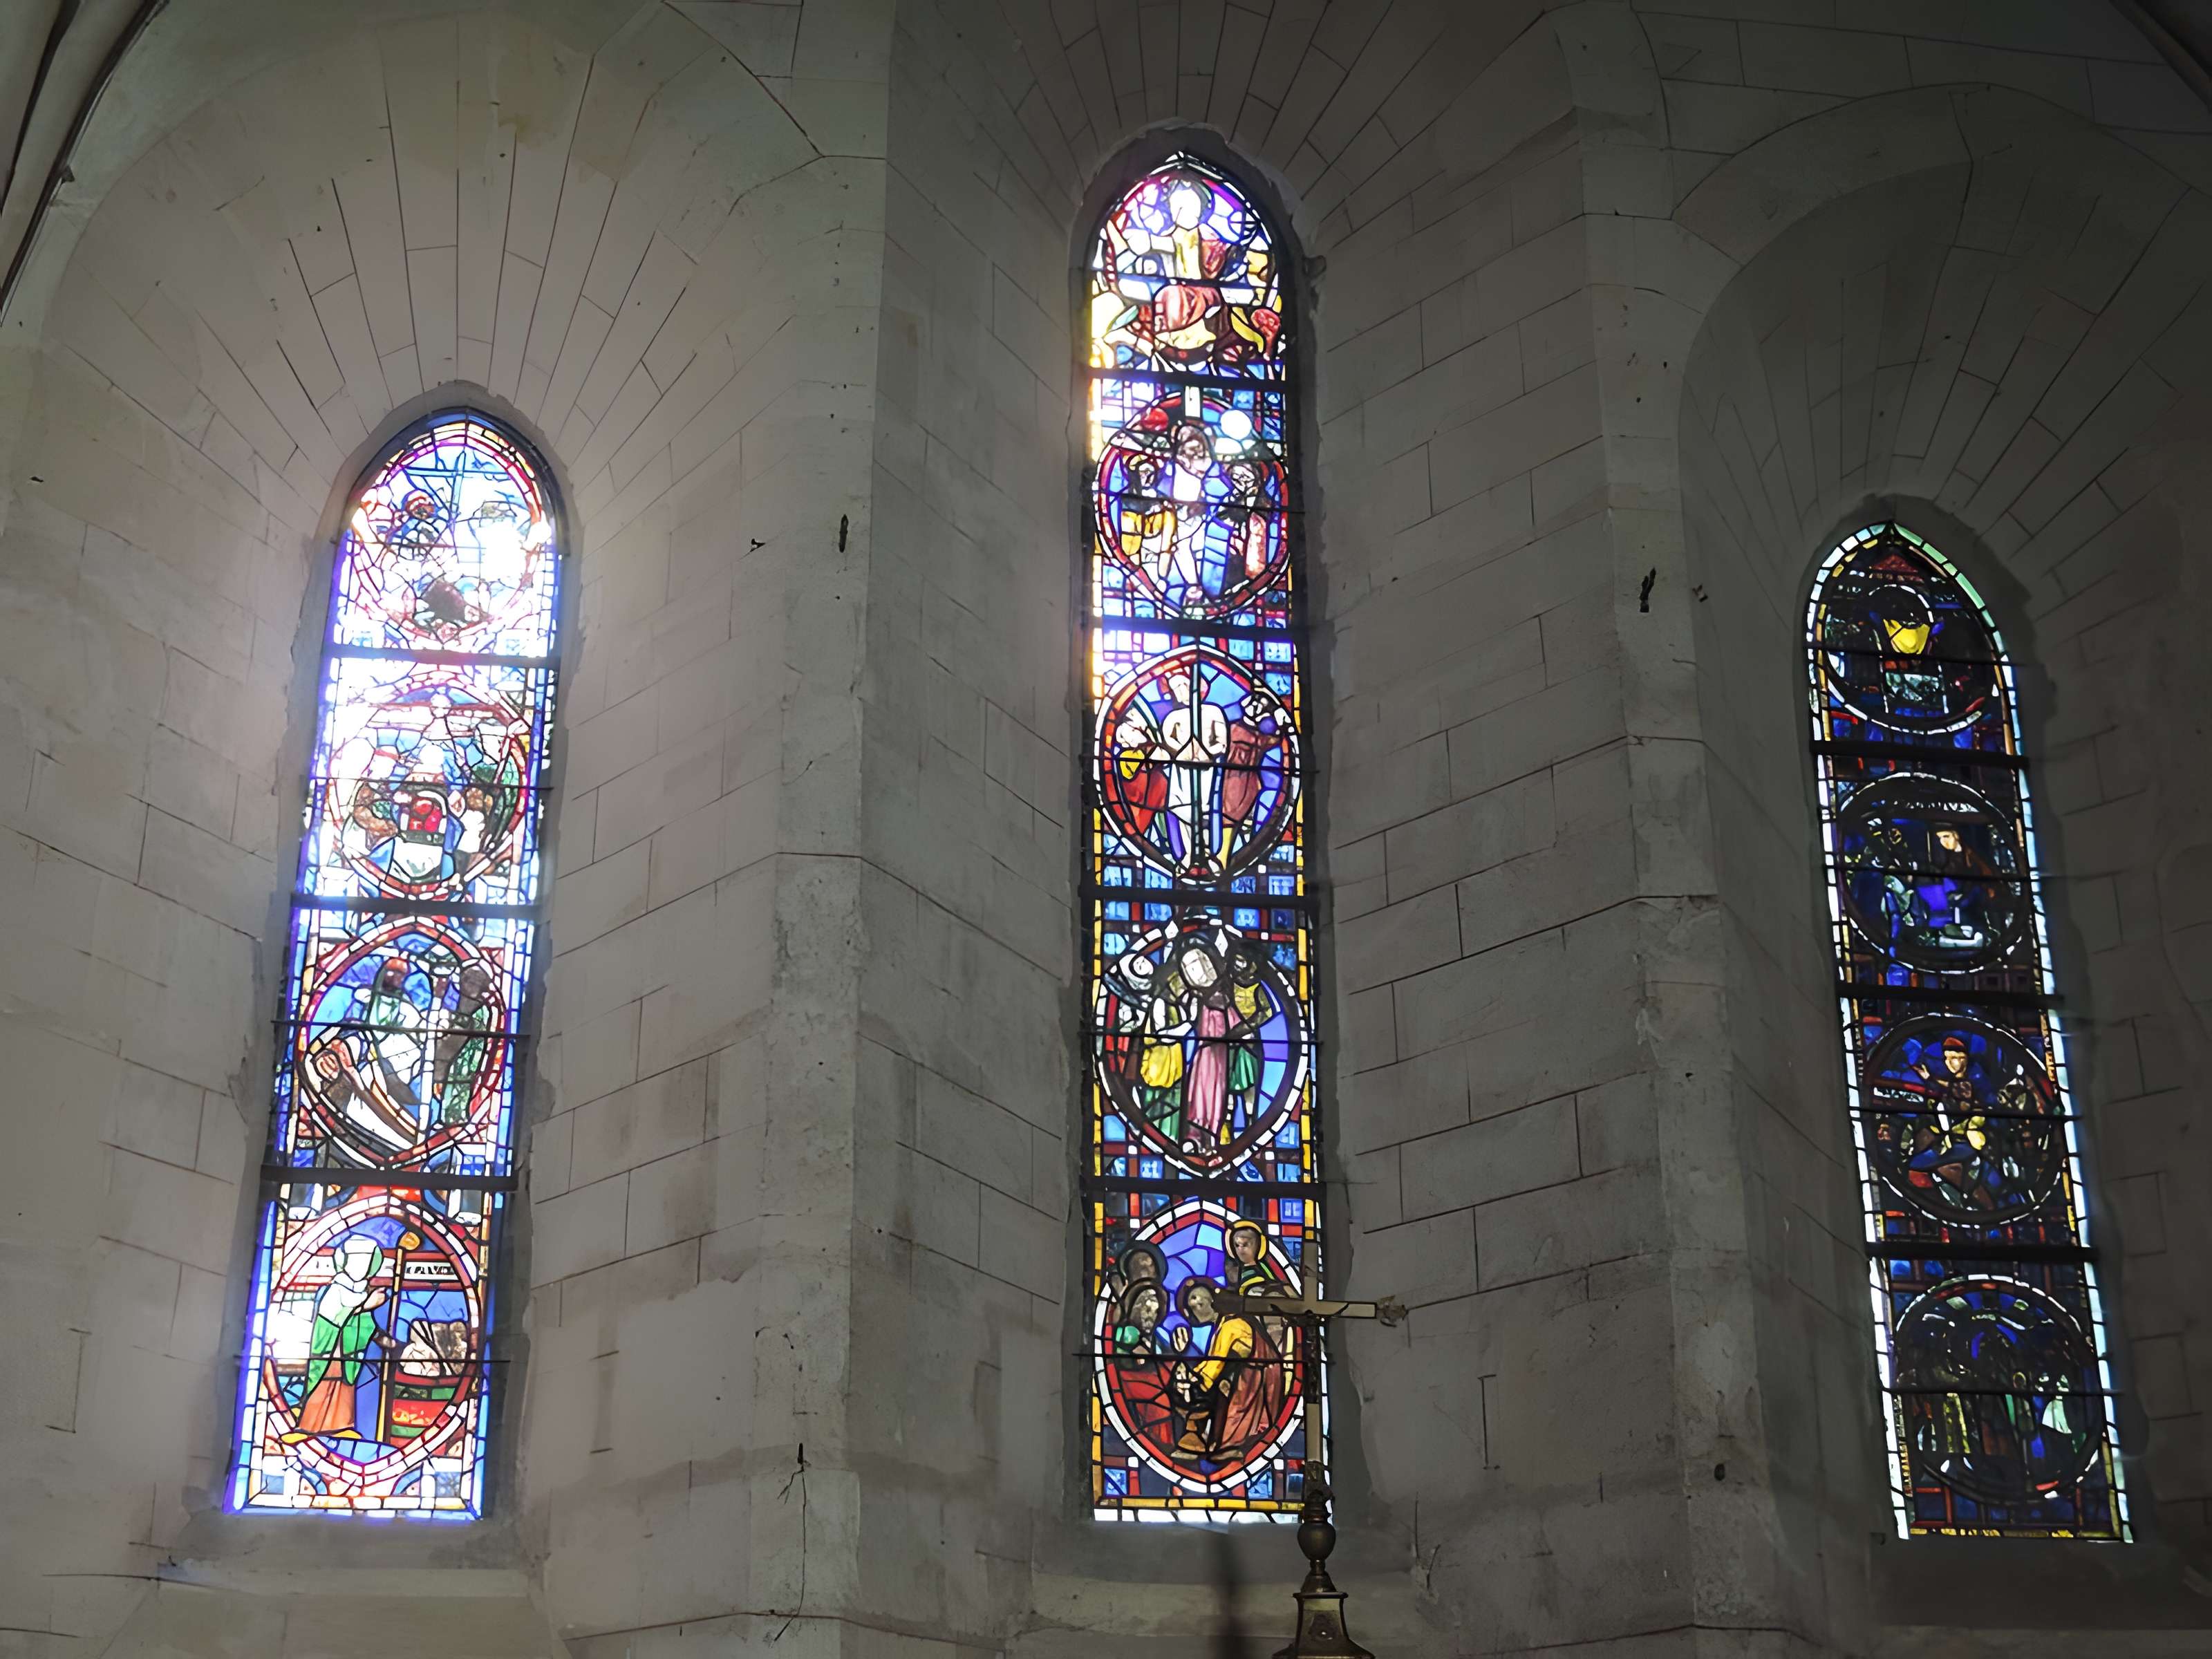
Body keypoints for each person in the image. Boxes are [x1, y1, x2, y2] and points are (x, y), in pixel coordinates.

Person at [283, 1235, 389, 1443]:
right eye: (356, 1262)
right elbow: (336, 1316)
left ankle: (342, 1425)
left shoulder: (363, 1291)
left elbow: (366, 1323)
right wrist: (368, 1305)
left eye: (366, 1263)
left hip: (349, 1353)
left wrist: (388, 1342)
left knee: (344, 1386)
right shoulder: (335, 1289)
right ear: (344, 1263)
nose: (360, 1268)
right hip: (329, 1350)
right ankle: (307, 1427)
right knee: (324, 1384)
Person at [1170, 1277, 1284, 1462]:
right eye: (1193, 1305)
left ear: (1213, 1298)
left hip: (1256, 1380)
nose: (1198, 1306)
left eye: (1199, 1299)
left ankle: (1213, 1441)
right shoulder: (1222, 1326)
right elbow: (1212, 1362)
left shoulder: (1231, 1325)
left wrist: (1197, 1381)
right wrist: (1194, 1377)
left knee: (1205, 1391)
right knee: (1202, 1387)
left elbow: (1217, 1364)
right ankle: (1201, 1439)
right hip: (1245, 1376)